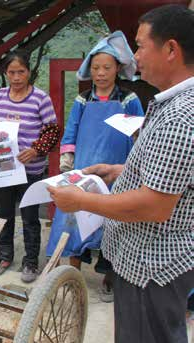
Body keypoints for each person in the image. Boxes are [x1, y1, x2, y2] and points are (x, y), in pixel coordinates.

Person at [47, 5, 193, 343]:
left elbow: (155, 205)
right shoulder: (169, 103)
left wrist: (80, 201)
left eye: (141, 46)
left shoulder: (180, 115)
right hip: (143, 261)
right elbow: (169, 174)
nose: (136, 56)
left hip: (151, 267)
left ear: (171, 49)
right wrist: (119, 172)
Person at [46, 31, 144, 301]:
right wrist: (67, 161)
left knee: (113, 224)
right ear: (90, 70)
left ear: (118, 70)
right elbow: (71, 132)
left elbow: (141, 134)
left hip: (116, 172)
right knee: (75, 221)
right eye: (96, 68)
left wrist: (134, 163)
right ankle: (72, 275)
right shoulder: (82, 100)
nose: (101, 73)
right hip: (85, 170)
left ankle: (109, 278)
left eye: (107, 68)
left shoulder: (129, 100)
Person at [0, 50, 60, 283]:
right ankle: (4, 256)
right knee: (5, 214)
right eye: (11, 72)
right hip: (4, 168)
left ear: (28, 72)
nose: (16, 77)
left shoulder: (40, 98)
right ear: (6, 73)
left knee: (29, 217)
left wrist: (36, 149)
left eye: (21, 72)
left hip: (31, 169)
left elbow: (52, 130)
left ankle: (30, 262)